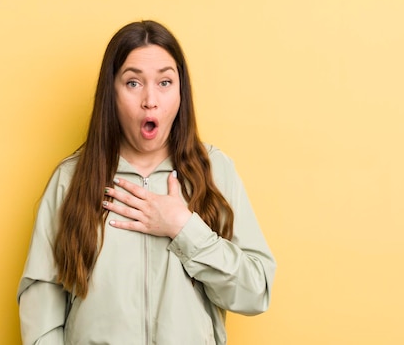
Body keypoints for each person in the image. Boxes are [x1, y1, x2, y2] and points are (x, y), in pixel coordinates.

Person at [17, 20, 276, 345]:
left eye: (165, 82)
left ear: (181, 92)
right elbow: (41, 303)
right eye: (133, 83)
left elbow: (256, 291)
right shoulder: (71, 179)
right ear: (111, 91)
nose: (150, 100)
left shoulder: (215, 171)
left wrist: (184, 228)